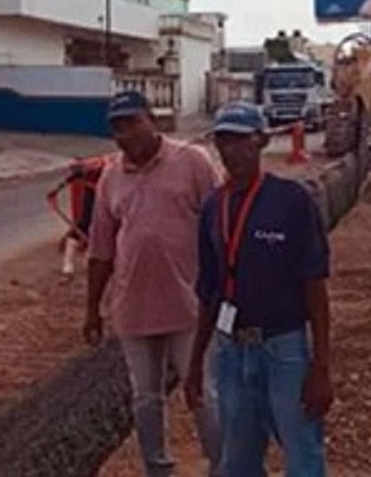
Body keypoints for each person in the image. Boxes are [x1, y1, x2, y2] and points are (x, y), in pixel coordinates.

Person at [185, 102, 334, 477]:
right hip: (231, 352)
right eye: (223, 140)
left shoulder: (292, 202)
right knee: (238, 460)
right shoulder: (212, 208)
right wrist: (195, 363)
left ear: (261, 141)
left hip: (283, 350)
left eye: (240, 139)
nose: (231, 149)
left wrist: (320, 368)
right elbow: (209, 290)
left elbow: (315, 287)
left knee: (302, 454)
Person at [84, 91, 223, 477]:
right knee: (146, 399)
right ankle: (157, 469)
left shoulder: (192, 162)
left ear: (152, 119)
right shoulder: (111, 177)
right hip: (133, 307)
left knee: (203, 394)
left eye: (132, 122)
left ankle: (222, 466)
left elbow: (220, 228)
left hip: (189, 305)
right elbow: (100, 250)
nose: (125, 134)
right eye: (117, 127)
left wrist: (227, 288)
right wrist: (91, 310)